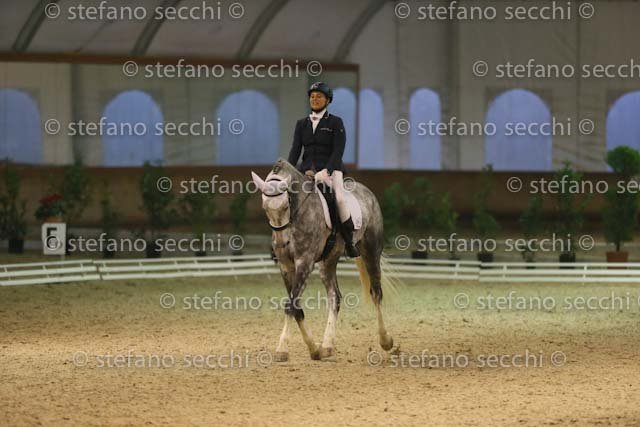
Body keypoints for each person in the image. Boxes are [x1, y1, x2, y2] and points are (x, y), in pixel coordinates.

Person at [287, 82, 359, 257]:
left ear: (328, 100)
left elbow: (338, 150)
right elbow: (295, 150)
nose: (315, 99)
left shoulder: (335, 122)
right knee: (286, 199)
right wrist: (289, 171)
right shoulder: (301, 124)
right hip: (306, 172)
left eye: (319, 96)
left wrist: (326, 171)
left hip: (332, 170)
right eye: (312, 96)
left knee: (339, 199)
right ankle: (282, 241)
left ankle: (348, 240)